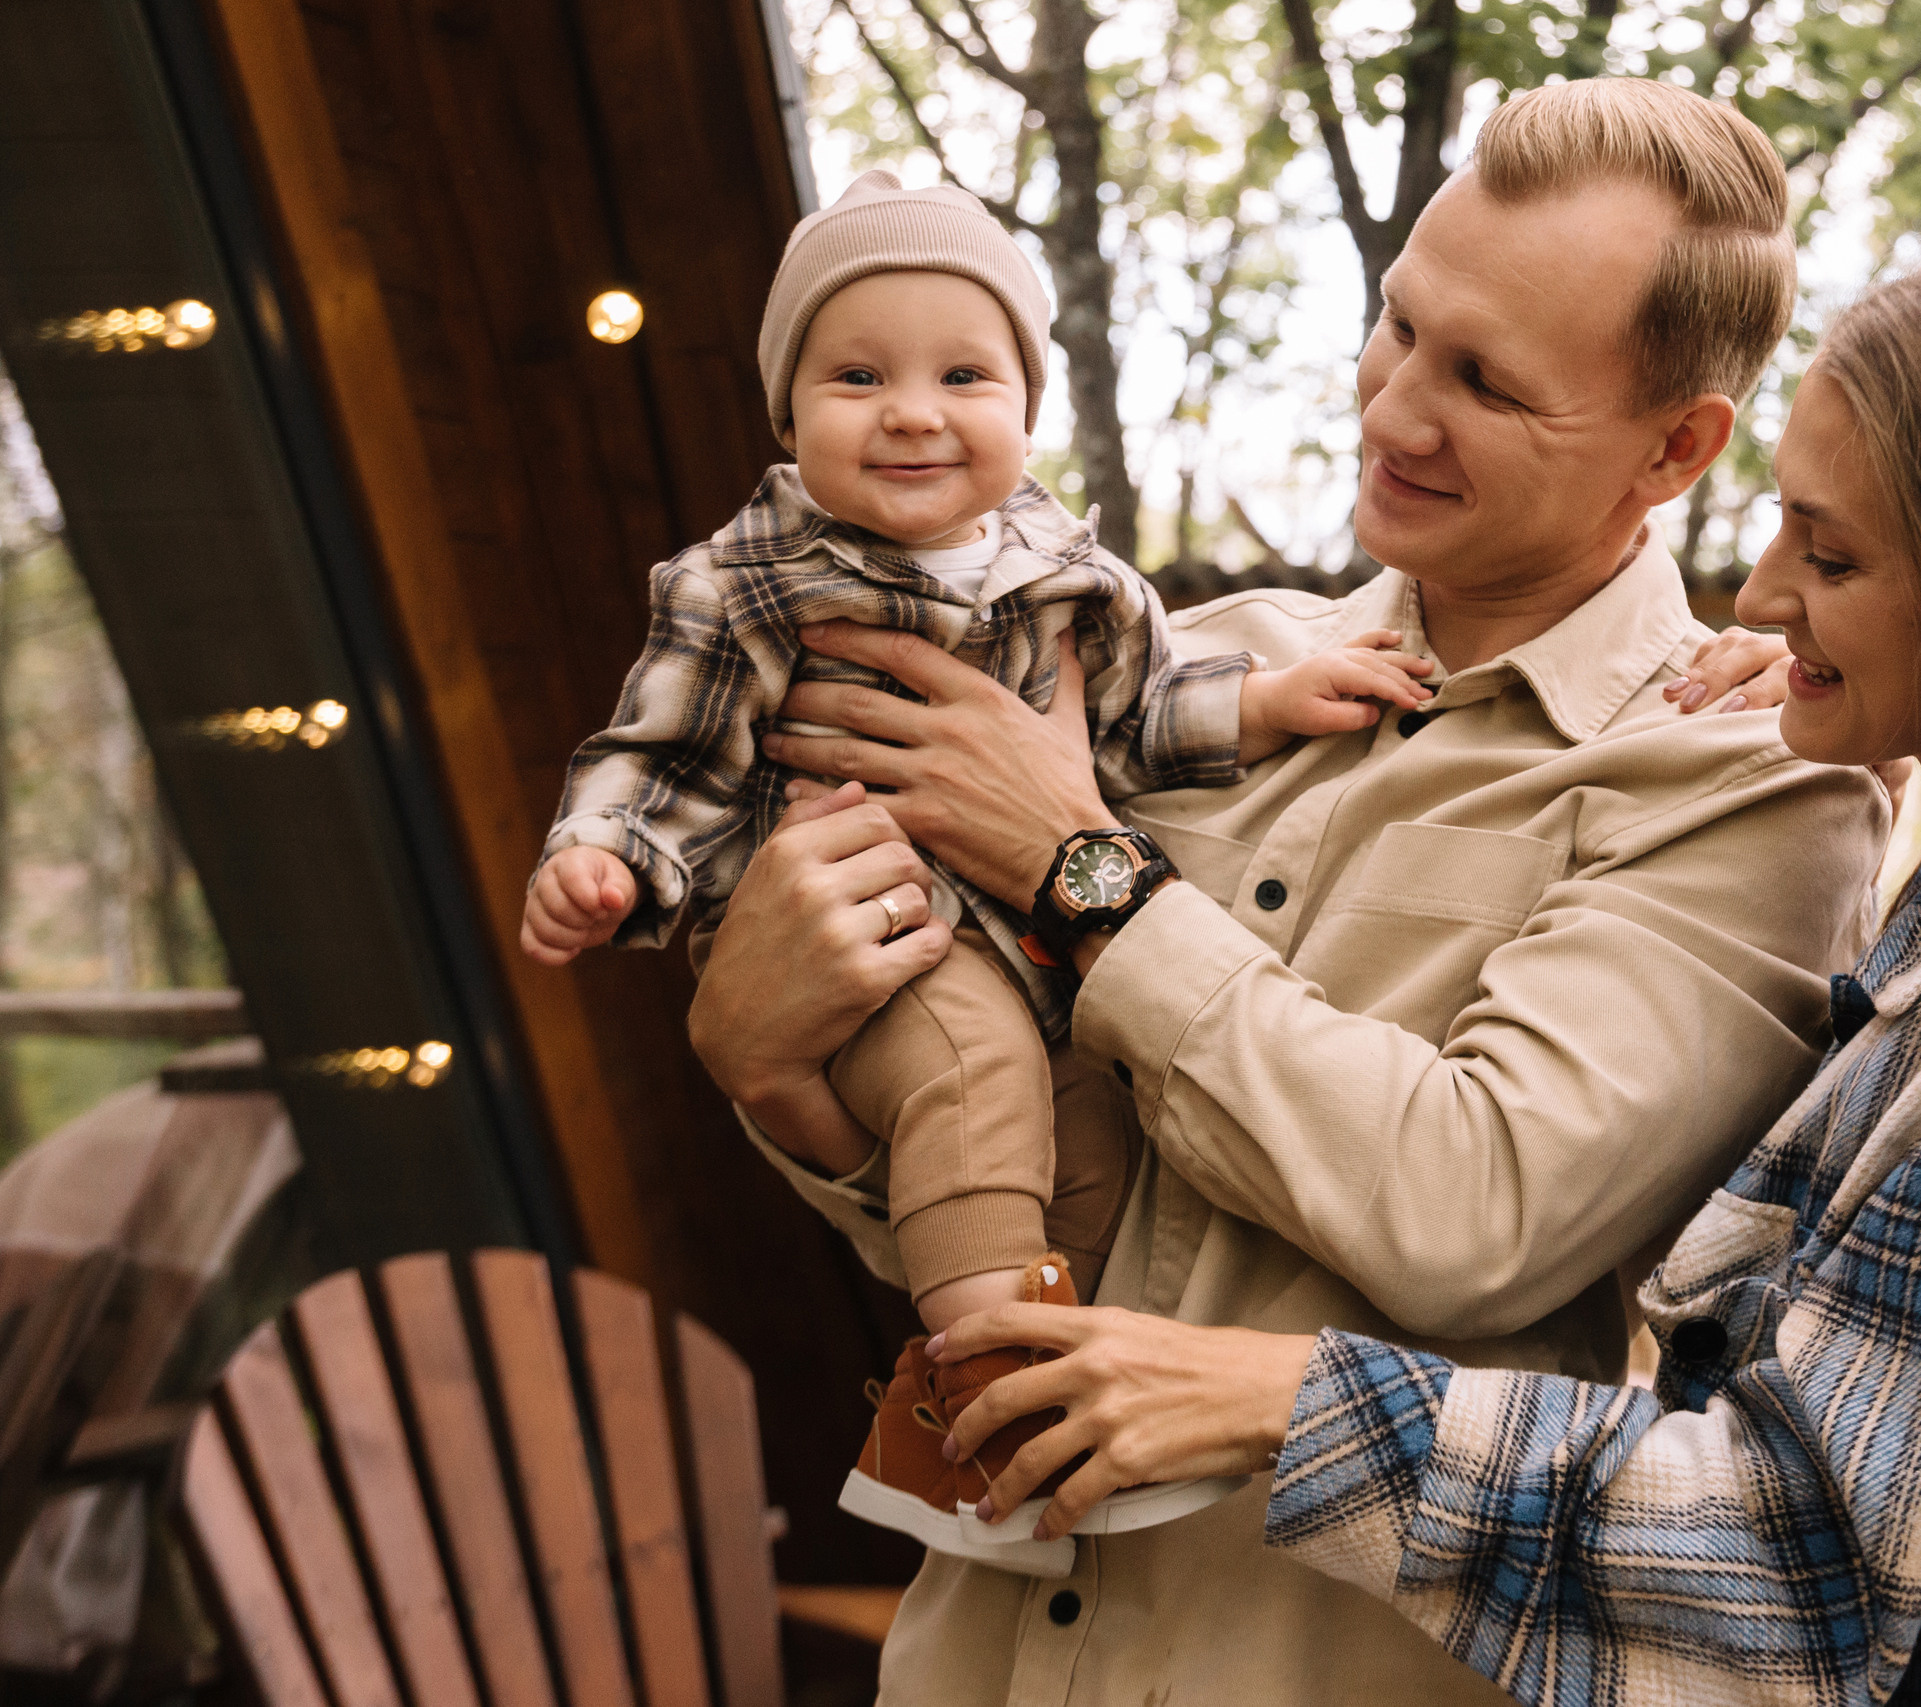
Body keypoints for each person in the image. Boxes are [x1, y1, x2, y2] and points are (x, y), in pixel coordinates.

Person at [925, 251, 1921, 1706]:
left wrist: (1280, 1398)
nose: (1758, 596)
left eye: (1833, 557)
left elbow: (1800, 1570)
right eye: (1782, 532)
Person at [687, 81, 1893, 1704]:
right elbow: (1023, 1193)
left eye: (1486, 382)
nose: (1397, 408)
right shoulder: (1189, 669)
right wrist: (775, 1072)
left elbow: (1473, 1217)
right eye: (1400, 326)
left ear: (1675, 447)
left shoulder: (1743, 782)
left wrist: (1081, 871)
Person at [517, 167, 1433, 1553]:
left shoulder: (1074, 575)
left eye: (963, 375)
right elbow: (661, 753)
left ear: (1026, 406)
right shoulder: (746, 585)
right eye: (857, 376)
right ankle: (987, 1404)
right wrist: (603, 854)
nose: (911, 411)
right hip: (879, 936)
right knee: (972, 1074)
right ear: (787, 415)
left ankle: (1057, 1403)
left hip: (1037, 950)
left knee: (1095, 1145)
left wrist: (1267, 700)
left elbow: (1138, 718)